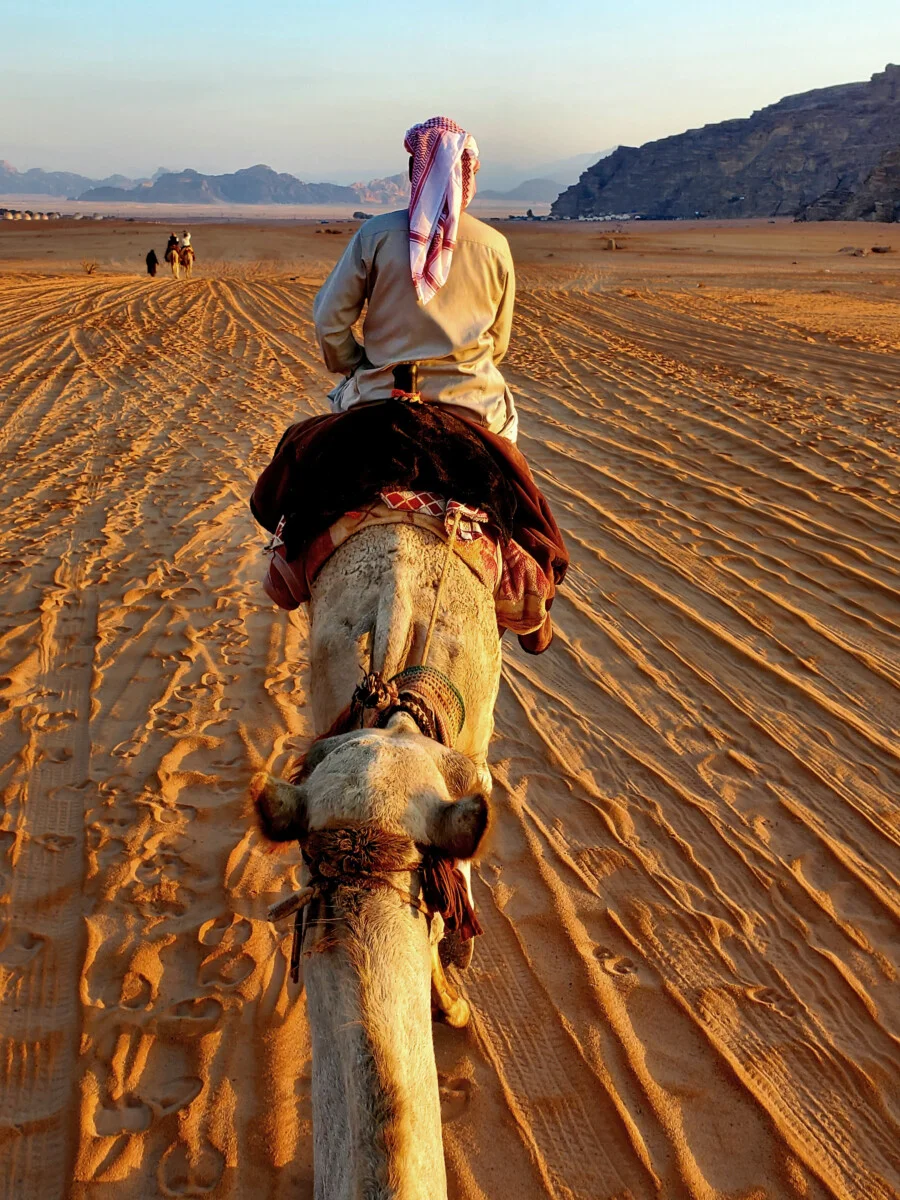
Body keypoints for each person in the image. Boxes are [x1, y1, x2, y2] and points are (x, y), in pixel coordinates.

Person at [313, 116, 518, 442]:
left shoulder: (374, 234)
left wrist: (355, 365)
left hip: (380, 394)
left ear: (414, 173)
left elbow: (329, 319)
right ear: (468, 175)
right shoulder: (494, 245)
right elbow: (499, 340)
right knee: (519, 483)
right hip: (474, 404)